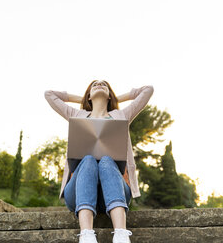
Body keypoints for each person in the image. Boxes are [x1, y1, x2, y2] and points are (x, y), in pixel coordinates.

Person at [44, 80, 154, 243]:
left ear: (110, 95)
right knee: (88, 160)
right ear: (88, 95)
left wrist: (115, 98)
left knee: (106, 161)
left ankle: (121, 234)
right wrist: (84, 98)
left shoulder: (121, 115)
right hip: (78, 193)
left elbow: (147, 90)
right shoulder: (76, 115)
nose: (100, 84)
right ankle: (86, 234)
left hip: (114, 192)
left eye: (105, 84)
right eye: (94, 84)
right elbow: (49, 94)